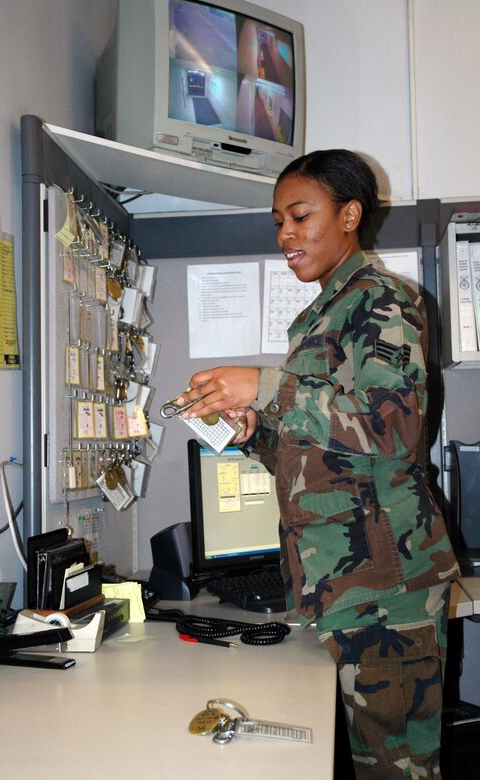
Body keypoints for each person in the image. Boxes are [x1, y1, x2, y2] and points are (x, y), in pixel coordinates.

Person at [176, 149, 460, 779]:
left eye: (301, 216)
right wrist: (254, 435)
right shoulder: (323, 314)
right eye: (278, 220)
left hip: (387, 589)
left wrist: (267, 388)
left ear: (350, 215)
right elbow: (327, 455)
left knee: (396, 768)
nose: (285, 234)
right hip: (340, 584)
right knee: (368, 760)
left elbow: (395, 428)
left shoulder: (380, 300)